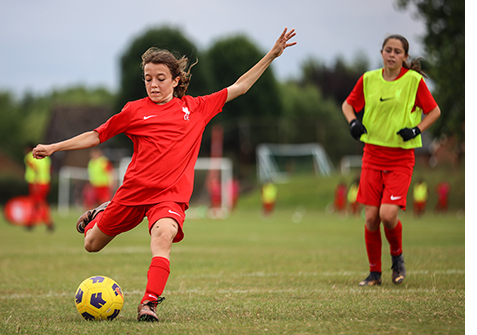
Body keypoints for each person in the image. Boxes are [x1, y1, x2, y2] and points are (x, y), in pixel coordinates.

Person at [35, 28, 297, 322]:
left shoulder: (196, 108)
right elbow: (96, 136)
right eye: (148, 78)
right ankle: (103, 208)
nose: (153, 85)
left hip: (169, 196)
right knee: (91, 244)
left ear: (176, 80)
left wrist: (271, 56)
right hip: (132, 194)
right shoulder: (134, 111)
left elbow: (240, 87)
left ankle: (149, 303)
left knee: (163, 236)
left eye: (160, 78)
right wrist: (54, 147)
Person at [342, 34, 440, 286]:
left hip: (400, 158)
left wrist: (417, 130)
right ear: (382, 53)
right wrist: (353, 122)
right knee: (371, 218)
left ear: (405, 57)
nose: (392, 54)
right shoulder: (368, 79)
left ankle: (397, 258)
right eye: (388, 50)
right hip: (372, 155)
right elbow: (347, 105)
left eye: (398, 51)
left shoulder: (413, 81)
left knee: (387, 214)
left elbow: (434, 111)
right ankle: (374, 274)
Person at [23, 146, 54, 231]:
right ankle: (30, 223)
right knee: (36, 203)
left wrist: (36, 183)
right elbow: (50, 170)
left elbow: (35, 169)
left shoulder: (30, 156)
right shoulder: (47, 159)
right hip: (46, 182)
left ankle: (49, 222)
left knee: (39, 202)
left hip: (36, 183)